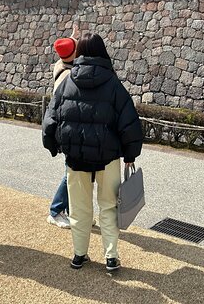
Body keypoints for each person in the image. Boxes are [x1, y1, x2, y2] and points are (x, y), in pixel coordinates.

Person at [42, 33, 143, 271]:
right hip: (107, 158)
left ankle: (79, 255)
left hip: (75, 159)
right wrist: (130, 155)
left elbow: (51, 119)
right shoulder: (113, 84)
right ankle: (110, 257)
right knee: (108, 206)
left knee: (79, 208)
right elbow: (129, 123)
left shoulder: (67, 81)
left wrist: (53, 146)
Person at [46, 34, 77, 229]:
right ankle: (55, 211)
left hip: (65, 128)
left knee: (74, 172)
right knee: (71, 172)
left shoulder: (61, 65)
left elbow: (65, 51)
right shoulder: (69, 76)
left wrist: (73, 37)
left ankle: (72, 210)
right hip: (67, 129)